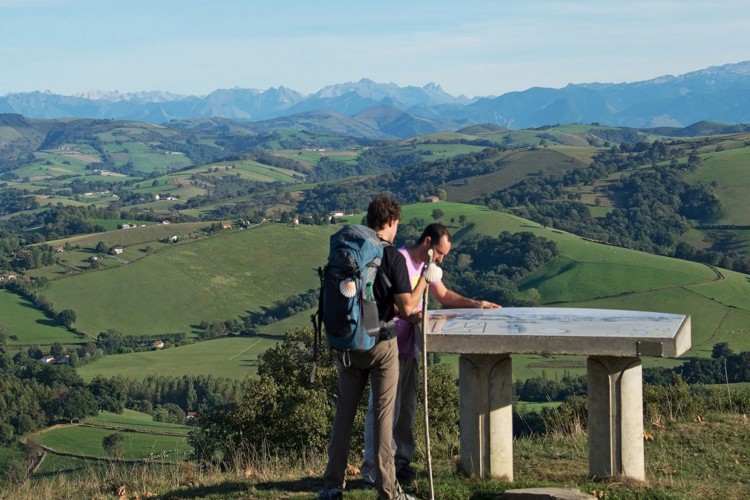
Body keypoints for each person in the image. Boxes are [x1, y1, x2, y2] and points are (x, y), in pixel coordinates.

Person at [361, 223, 501, 485]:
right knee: (382, 410)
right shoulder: (399, 259)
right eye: (439, 252)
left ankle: (400, 463)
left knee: (406, 410)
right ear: (427, 242)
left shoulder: (427, 268)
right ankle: (374, 468)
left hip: (410, 348)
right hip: (388, 346)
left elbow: (444, 294)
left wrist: (476, 304)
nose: (441, 258)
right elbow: (395, 304)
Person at [319, 194, 427, 500]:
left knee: (344, 415)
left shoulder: (352, 248)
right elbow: (406, 310)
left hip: (349, 343)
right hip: (382, 344)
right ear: (391, 222)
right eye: (396, 225)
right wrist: (426, 280)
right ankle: (388, 491)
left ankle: (330, 487)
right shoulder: (391, 256)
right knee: (383, 418)